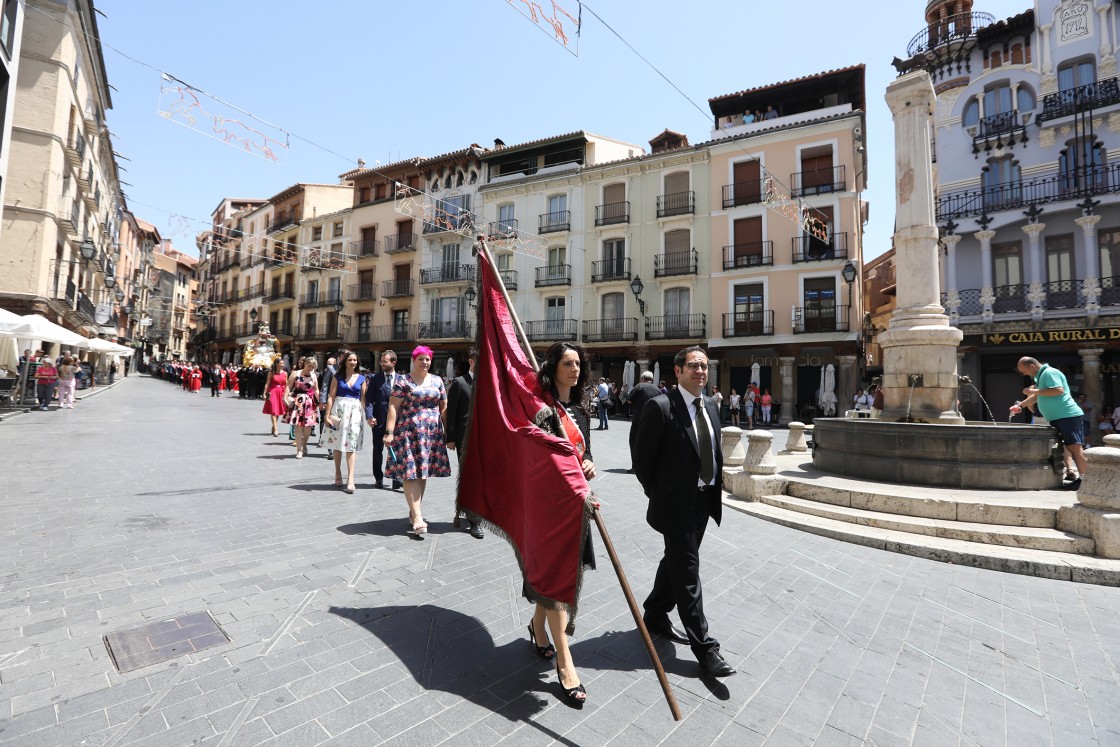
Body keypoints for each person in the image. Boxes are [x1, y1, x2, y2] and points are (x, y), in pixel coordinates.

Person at [632, 345, 734, 677]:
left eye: (704, 366)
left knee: (675, 561)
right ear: (677, 371)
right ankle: (705, 648)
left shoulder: (711, 408)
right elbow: (642, 460)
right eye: (693, 366)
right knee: (688, 572)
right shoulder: (660, 407)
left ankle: (655, 613)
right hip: (675, 505)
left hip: (703, 502)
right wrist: (659, 493)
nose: (700, 371)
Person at [528, 342, 597, 703]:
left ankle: (538, 625)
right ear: (553, 367)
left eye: (578, 364)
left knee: (560, 574)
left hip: (576, 506)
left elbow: (586, 459)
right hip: (547, 506)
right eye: (567, 363)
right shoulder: (541, 411)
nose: (574, 369)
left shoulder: (581, 413)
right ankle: (566, 662)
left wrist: (590, 468)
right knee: (557, 576)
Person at [383, 346, 451, 535]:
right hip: (409, 432)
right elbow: (393, 407)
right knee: (410, 472)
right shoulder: (403, 381)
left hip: (432, 434)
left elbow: (444, 407)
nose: (425, 362)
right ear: (414, 360)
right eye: (421, 359)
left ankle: (414, 512)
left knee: (422, 473)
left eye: (428, 359)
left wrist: (448, 432)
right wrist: (389, 431)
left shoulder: (438, 381)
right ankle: (418, 517)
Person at [1010, 357, 1088, 490]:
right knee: (1070, 447)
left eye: (1025, 371)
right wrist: (1021, 406)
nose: (1025, 374)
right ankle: (1083, 479)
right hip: (1059, 417)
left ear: (1032, 366)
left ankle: (1086, 480)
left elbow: (1058, 390)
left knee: (1075, 447)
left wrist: (1033, 391)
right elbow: (1039, 396)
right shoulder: (1040, 376)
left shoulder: (1049, 373)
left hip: (1067, 415)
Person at [445, 350, 484, 539]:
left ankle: (479, 514)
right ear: (471, 362)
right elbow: (451, 413)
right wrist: (450, 438)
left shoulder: (489, 384)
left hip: (486, 440)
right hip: (464, 440)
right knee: (471, 479)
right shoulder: (459, 384)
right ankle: (474, 521)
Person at [324, 349, 367, 493]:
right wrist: (327, 415)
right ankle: (337, 474)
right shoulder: (337, 377)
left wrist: (366, 416)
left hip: (355, 413)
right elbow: (331, 396)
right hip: (339, 410)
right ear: (345, 362)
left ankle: (351, 479)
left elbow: (363, 400)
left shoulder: (361, 378)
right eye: (350, 360)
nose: (353, 362)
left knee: (351, 445)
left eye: (355, 360)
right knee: (337, 443)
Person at [366, 350, 401, 490]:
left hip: (397, 421)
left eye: (385, 361)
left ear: (393, 362)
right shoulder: (375, 378)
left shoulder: (402, 379)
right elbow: (369, 399)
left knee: (397, 449)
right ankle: (378, 478)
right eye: (381, 361)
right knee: (378, 450)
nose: (382, 364)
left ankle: (396, 477)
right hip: (379, 420)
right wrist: (369, 416)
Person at [284, 357, 320, 459]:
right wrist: (285, 397)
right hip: (298, 402)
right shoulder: (295, 373)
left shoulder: (313, 376)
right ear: (305, 364)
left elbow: (316, 389)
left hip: (309, 402)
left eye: (312, 367)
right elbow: (288, 386)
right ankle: (299, 450)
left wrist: (320, 401)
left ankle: (304, 444)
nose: (310, 369)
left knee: (308, 427)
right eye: (309, 366)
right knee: (298, 426)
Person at [261, 359, 288, 437]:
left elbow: (286, 385)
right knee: (273, 410)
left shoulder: (285, 373)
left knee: (278, 411)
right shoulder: (271, 373)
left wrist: (287, 394)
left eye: (283, 363)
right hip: (272, 392)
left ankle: (274, 426)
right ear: (276, 364)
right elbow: (267, 383)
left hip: (281, 392)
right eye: (281, 363)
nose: (282, 364)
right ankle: (276, 429)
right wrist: (264, 393)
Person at [319, 356, 338, 458]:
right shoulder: (327, 371)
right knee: (326, 421)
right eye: (327, 363)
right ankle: (330, 449)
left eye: (331, 364)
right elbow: (324, 386)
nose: (328, 366)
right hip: (327, 400)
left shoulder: (341, 370)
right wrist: (322, 400)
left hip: (338, 401)